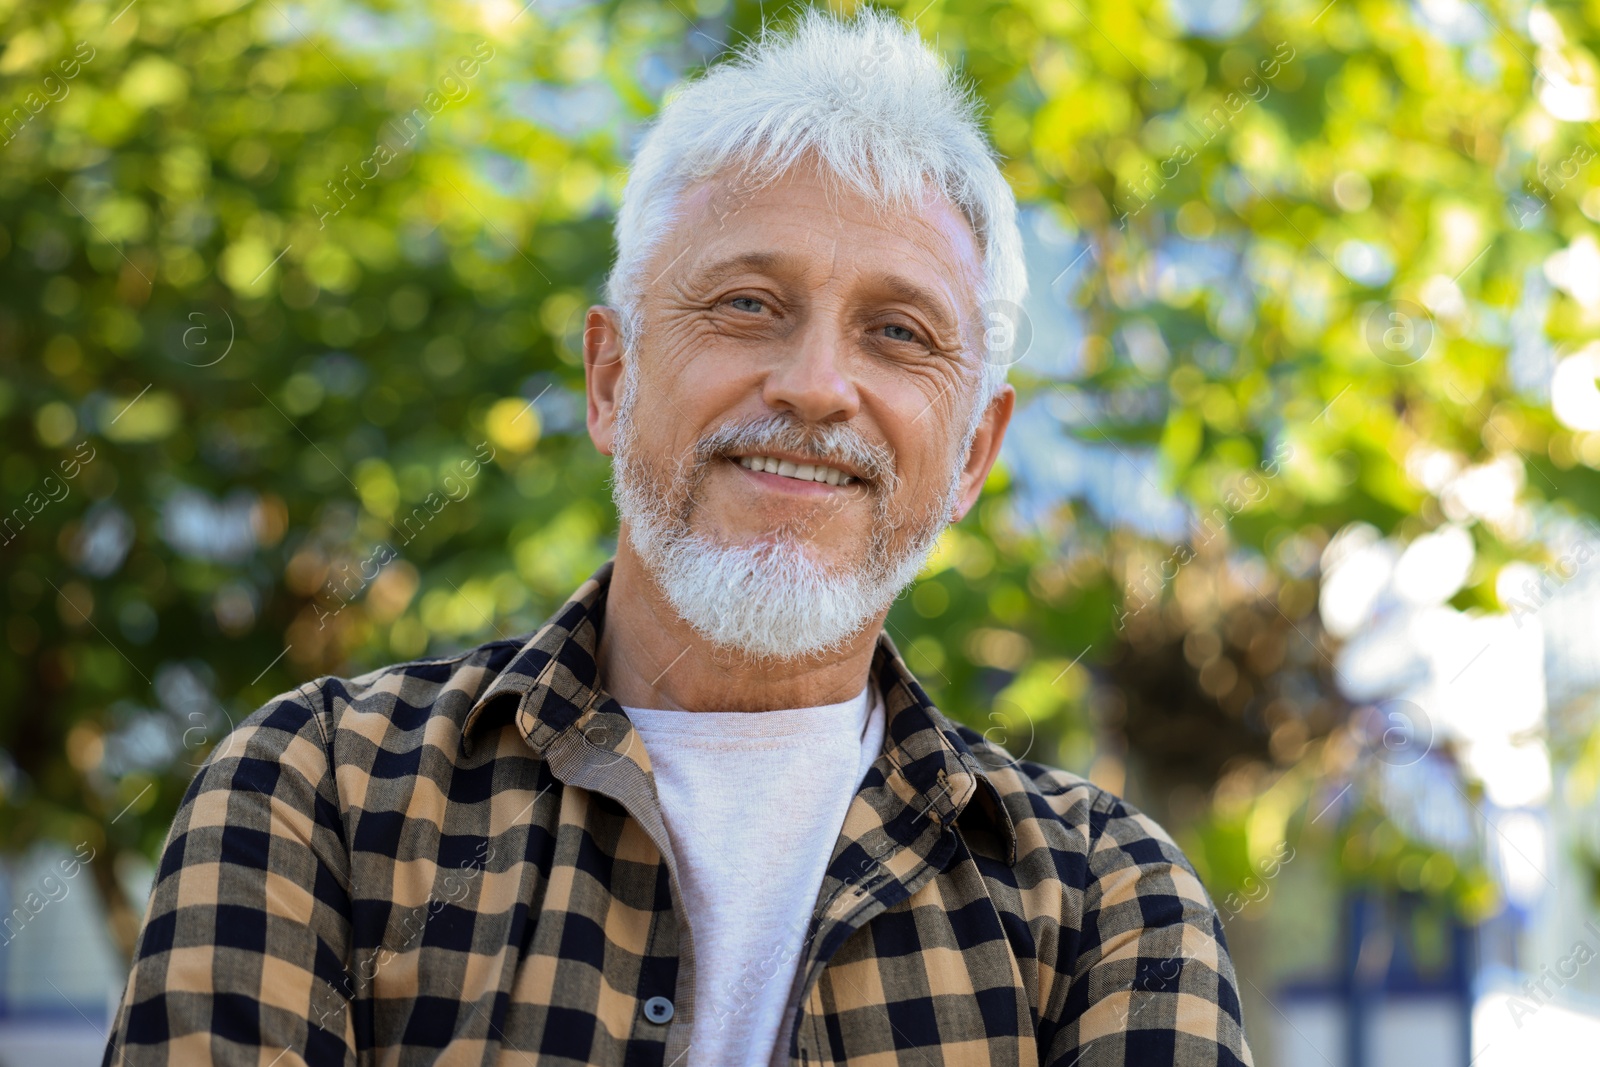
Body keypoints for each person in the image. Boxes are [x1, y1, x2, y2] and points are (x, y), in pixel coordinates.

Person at [105, 10, 1252, 1065]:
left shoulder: (1109, 904)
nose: (814, 386)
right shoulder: (319, 800)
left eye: (897, 332)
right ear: (611, 377)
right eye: (747, 303)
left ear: (970, 456)